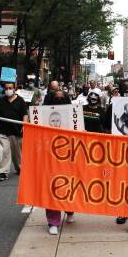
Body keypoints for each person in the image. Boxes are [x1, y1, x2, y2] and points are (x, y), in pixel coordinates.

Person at [104, 79, 128, 236]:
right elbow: (105, 126)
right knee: (120, 184)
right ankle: (123, 211)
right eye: (124, 89)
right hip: (119, 152)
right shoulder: (113, 106)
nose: (127, 92)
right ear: (118, 90)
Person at [43, 89, 75, 234]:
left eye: (62, 99)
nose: (59, 101)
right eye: (56, 99)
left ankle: (70, 210)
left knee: (70, 184)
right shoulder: (42, 115)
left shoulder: (73, 114)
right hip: (50, 156)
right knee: (52, 187)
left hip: (69, 155)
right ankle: (53, 221)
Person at [0, 82, 28, 181]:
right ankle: (3, 172)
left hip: (17, 130)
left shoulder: (20, 100)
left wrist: (24, 125)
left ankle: (19, 167)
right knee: (5, 151)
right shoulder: (1, 100)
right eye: (6, 88)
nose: (8, 90)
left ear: (14, 88)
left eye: (10, 88)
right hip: (4, 130)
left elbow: (25, 114)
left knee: (17, 152)